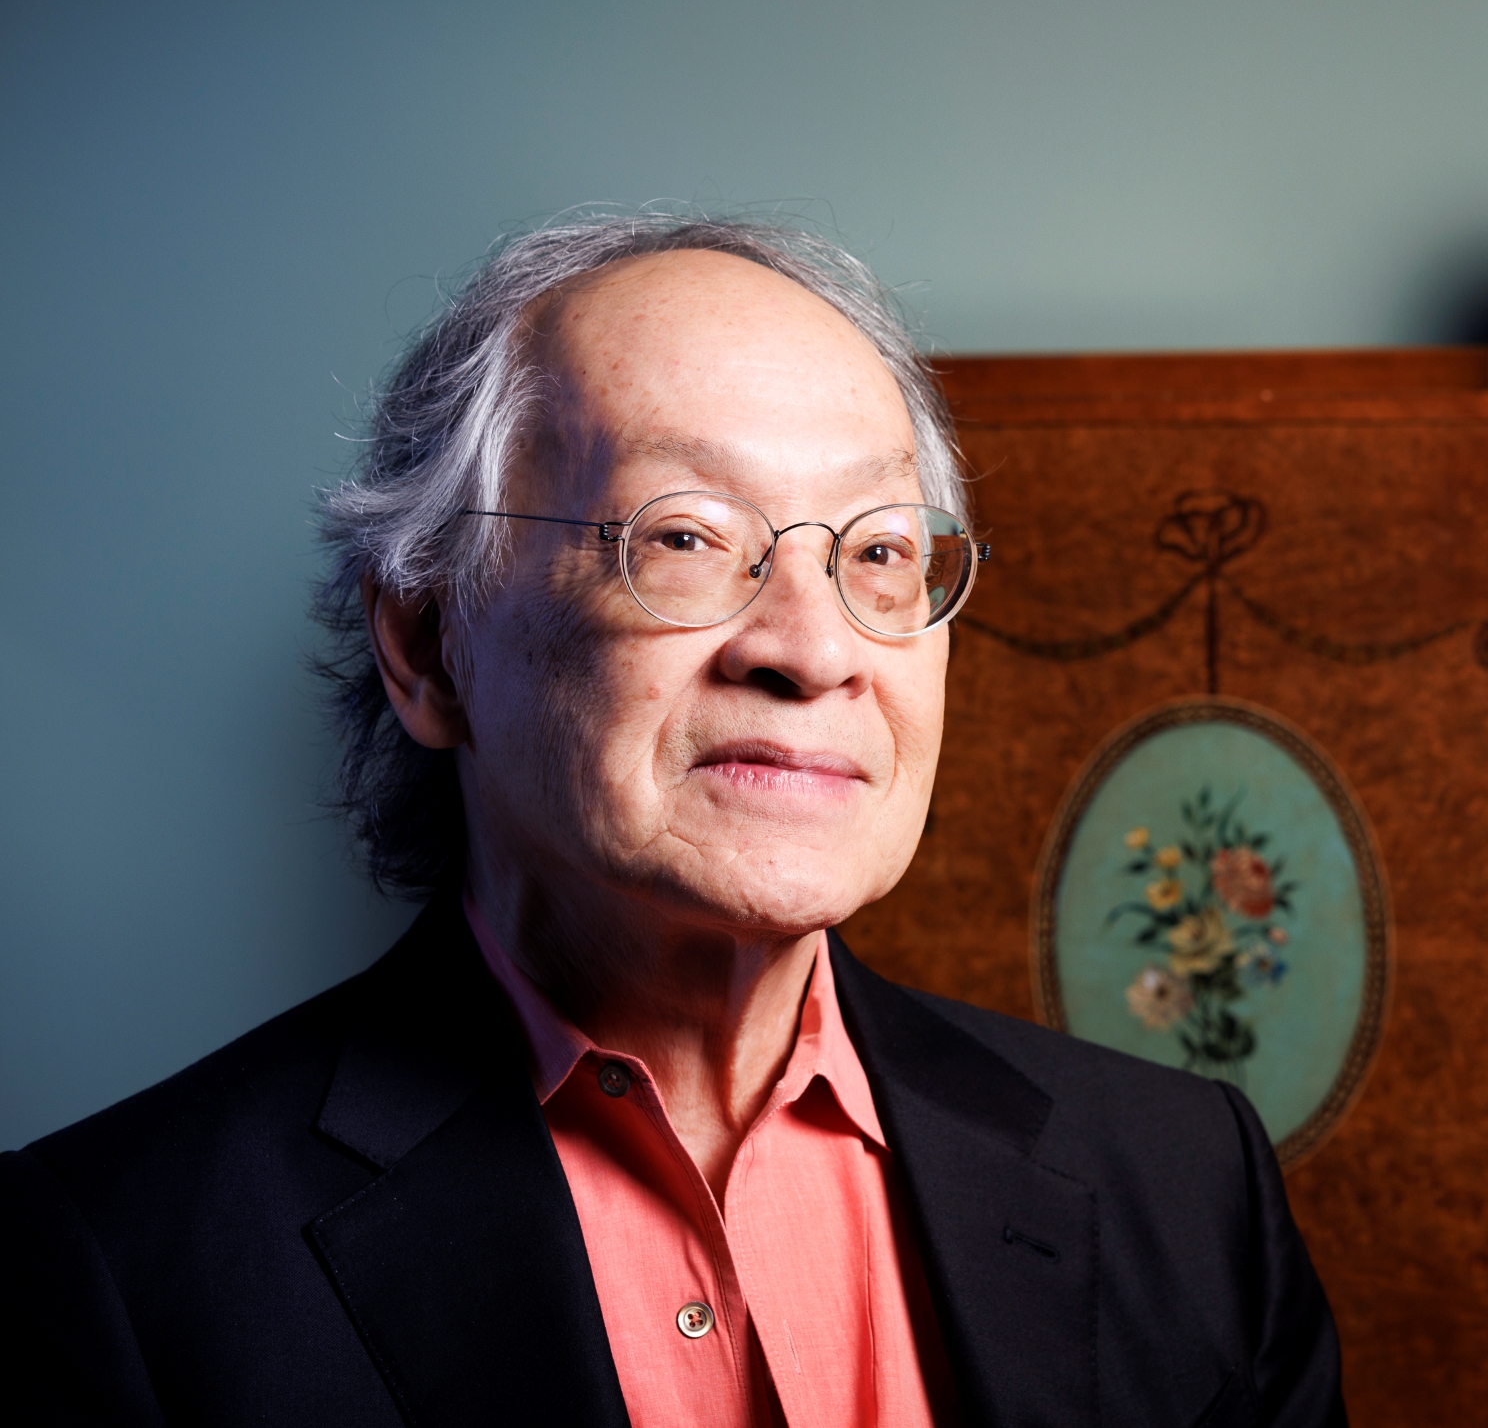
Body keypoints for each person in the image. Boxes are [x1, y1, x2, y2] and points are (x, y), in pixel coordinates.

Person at [1, 216, 1345, 1426]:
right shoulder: (114, 1264)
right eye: (685, 537)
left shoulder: (1185, 1188)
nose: (815, 650)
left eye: (878, 551)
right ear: (426, 646)